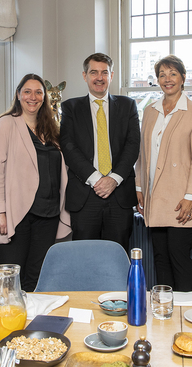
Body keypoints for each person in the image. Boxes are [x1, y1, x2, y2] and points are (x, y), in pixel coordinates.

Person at [0, 74, 71, 291]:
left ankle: (31, 324)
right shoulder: (5, 124)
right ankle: (8, 324)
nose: (33, 97)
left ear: (45, 97)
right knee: (10, 280)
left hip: (48, 215)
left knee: (36, 277)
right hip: (16, 215)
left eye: (38, 92)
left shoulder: (51, 129)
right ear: (18, 94)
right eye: (27, 92)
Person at [135, 55, 192, 291]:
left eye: (173, 74)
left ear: (183, 78)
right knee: (160, 259)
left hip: (181, 199)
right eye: (162, 75)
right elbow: (142, 155)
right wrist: (139, 187)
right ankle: (163, 312)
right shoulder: (150, 111)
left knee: (179, 259)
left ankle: (185, 313)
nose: (167, 79)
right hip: (154, 196)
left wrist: (191, 197)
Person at [59, 53, 140, 252]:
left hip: (119, 195)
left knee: (117, 257)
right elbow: (69, 147)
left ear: (111, 75)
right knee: (85, 258)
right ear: (84, 75)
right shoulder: (70, 107)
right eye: (93, 72)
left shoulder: (128, 105)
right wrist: (97, 179)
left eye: (104, 72)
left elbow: (133, 145)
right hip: (85, 195)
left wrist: (113, 179)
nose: (99, 77)